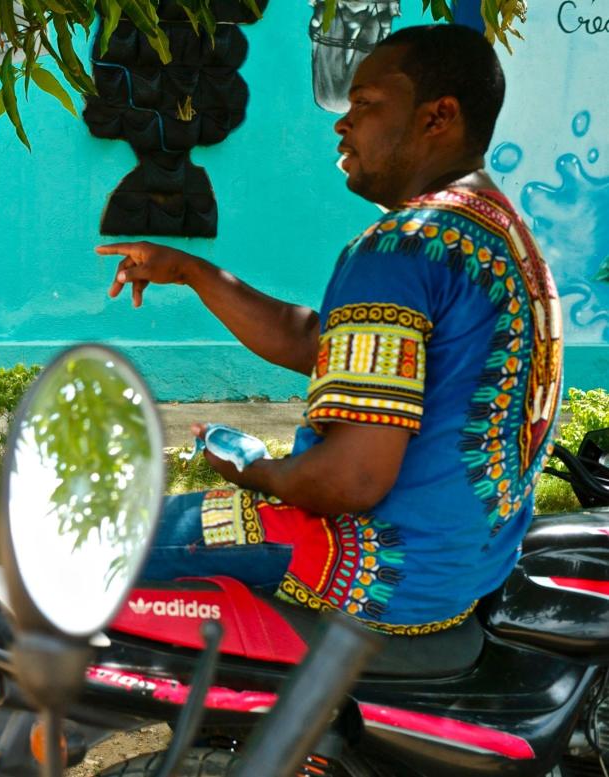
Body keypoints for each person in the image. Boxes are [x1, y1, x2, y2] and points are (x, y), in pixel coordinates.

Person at [99, 24, 563, 635]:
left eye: (367, 105)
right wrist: (188, 268)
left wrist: (260, 473)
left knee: (94, 545)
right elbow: (322, 344)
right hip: (460, 569)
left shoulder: (399, 249)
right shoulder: (505, 237)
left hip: (377, 567)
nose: (343, 123)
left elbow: (353, 478)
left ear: (438, 117)